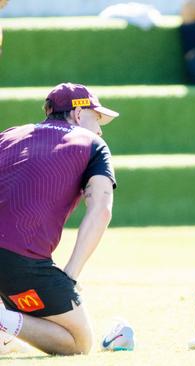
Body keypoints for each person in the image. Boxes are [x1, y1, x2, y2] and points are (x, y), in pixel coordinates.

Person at [0, 82, 118, 355]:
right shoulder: (93, 143)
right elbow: (101, 210)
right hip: (19, 259)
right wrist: (70, 275)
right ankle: (4, 319)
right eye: (96, 117)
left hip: (13, 260)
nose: (99, 129)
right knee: (79, 341)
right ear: (78, 115)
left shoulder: (8, 134)